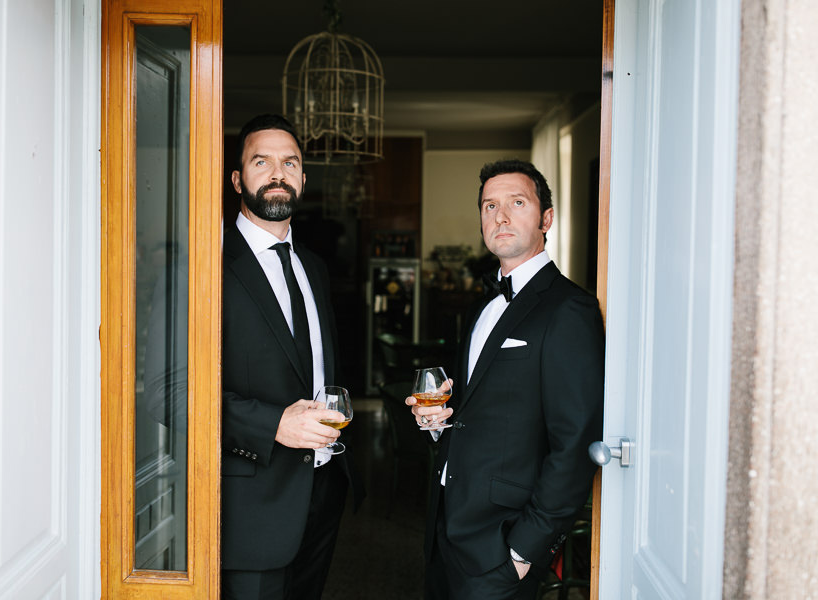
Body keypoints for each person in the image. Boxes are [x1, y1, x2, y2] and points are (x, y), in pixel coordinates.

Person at [407, 159, 604, 599]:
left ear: (546, 218)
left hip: (502, 543)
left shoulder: (570, 309)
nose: (500, 215)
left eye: (517, 202)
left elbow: (575, 443)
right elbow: (478, 409)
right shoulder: (481, 306)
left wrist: (523, 551)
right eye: (489, 205)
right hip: (446, 527)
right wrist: (436, 420)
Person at [221, 114, 361, 600]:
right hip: (251, 505)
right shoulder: (206, 264)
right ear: (238, 179)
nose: (277, 173)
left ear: (302, 178)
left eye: (290, 163)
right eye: (262, 161)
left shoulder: (314, 268)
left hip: (323, 491)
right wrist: (273, 425)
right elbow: (169, 392)